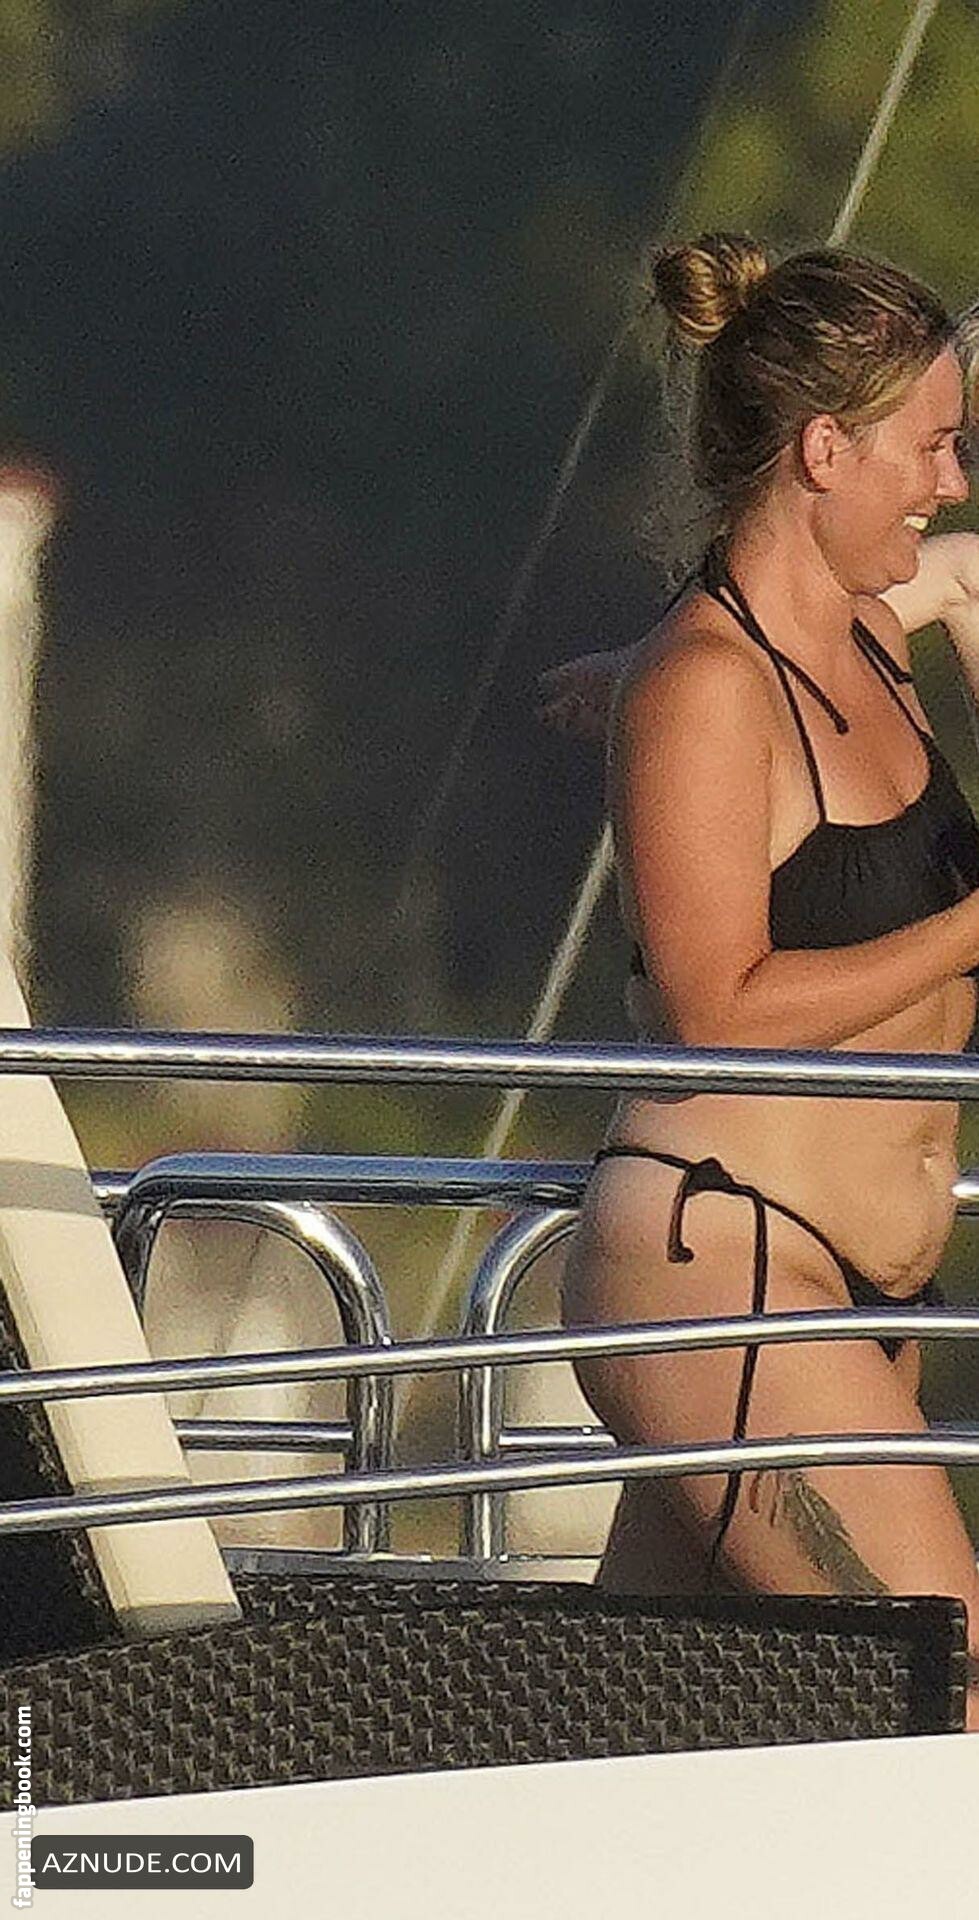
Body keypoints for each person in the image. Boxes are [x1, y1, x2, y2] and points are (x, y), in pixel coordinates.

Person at [555, 233, 979, 1729]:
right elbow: (711, 1009)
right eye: (932, 445)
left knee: (657, 1739)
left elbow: (963, 572)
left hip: (852, 1294)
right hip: (723, 1268)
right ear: (824, 450)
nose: (952, 481)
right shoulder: (706, 685)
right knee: (958, 1705)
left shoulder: (868, 632)